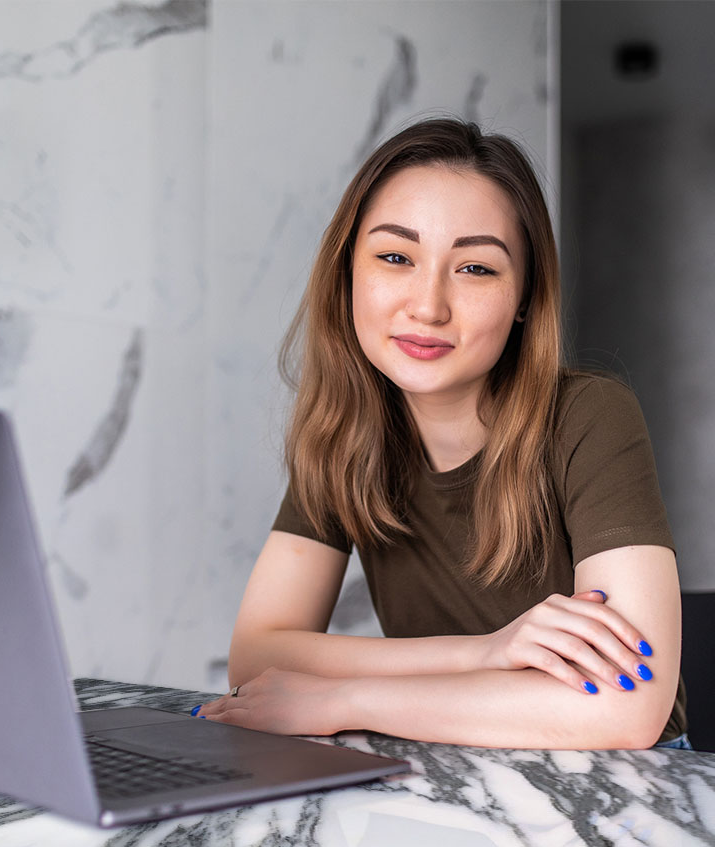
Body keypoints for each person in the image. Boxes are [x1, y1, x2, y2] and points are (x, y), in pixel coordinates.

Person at [196, 118, 687, 749]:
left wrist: (343, 697)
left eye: (476, 268)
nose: (428, 306)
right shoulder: (346, 433)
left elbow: (628, 710)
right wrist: (484, 653)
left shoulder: (588, 414)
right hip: (443, 767)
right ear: (348, 272)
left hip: (623, 790)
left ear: (524, 301)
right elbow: (257, 657)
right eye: (395, 257)